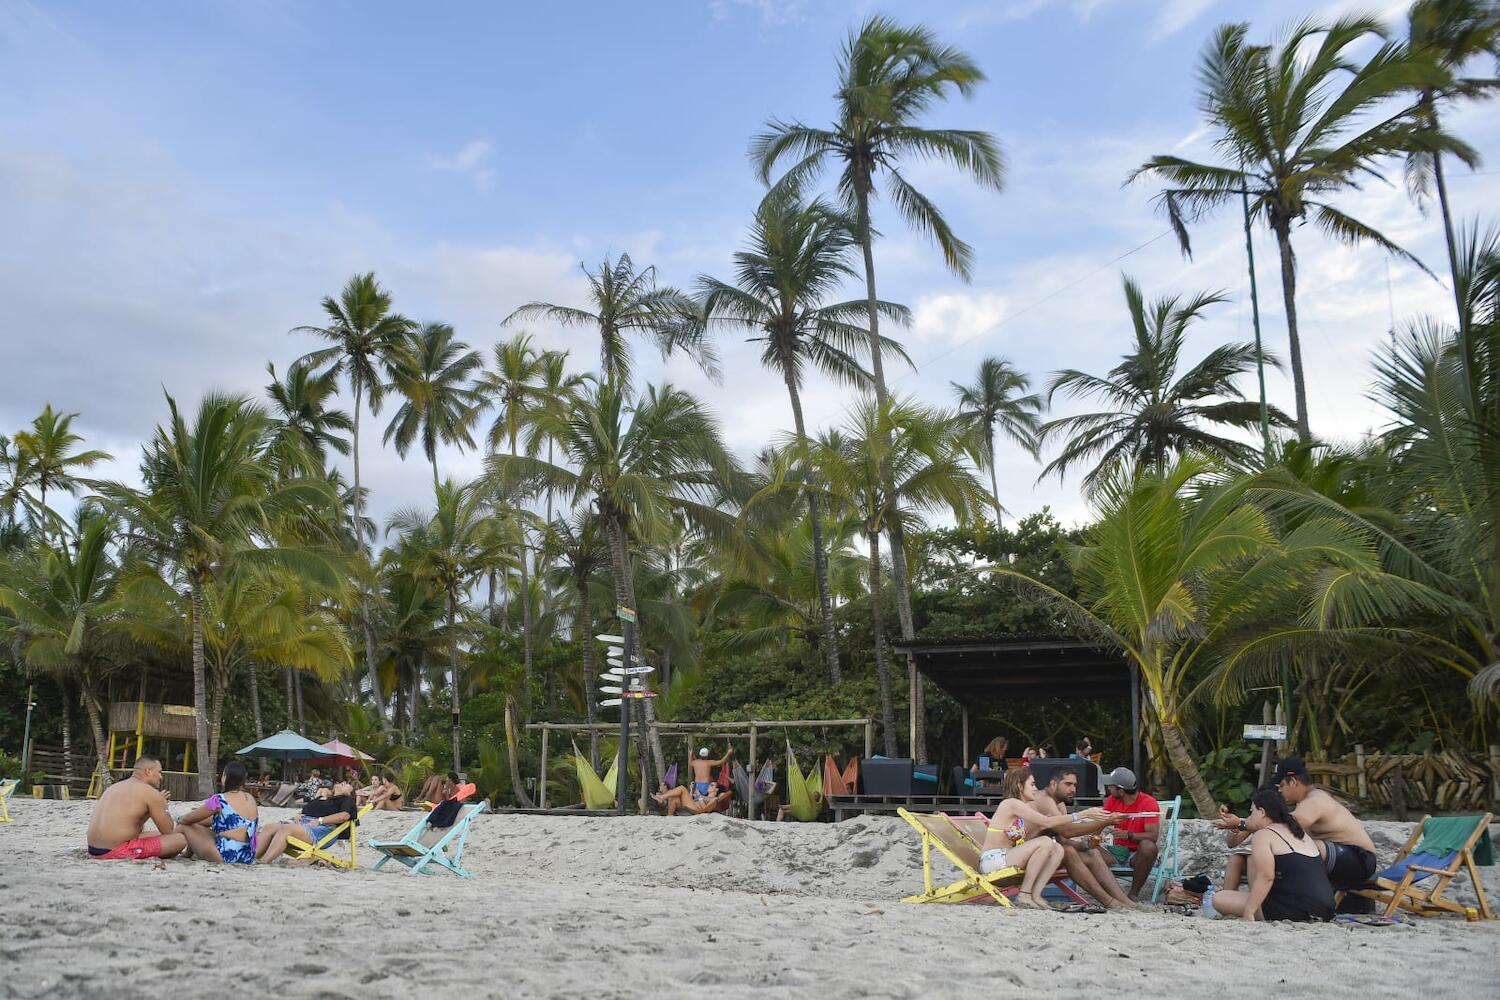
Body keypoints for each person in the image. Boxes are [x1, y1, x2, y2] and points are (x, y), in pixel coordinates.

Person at [1217, 756, 1377, 897]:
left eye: (1281, 786)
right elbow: (1234, 842)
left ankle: (1265, 904)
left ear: (1293, 782)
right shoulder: (1300, 805)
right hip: (1338, 858)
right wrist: (1238, 825)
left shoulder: (1315, 800)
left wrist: (1242, 823)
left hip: (1360, 860)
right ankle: (1225, 904)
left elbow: (1285, 827)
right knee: (1239, 858)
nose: (1279, 791)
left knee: (1309, 847)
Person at [980, 767, 1112, 910]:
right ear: (1019, 786)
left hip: (1006, 857)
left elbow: (1048, 823)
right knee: (1045, 842)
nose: (1036, 789)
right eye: (1032, 784)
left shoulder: (1022, 806)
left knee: (1057, 849)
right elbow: (1046, 822)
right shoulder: (1011, 803)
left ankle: (1035, 895)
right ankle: (1024, 894)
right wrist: (1083, 814)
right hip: (993, 861)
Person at [1209, 787, 1335, 922]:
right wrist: (1239, 825)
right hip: (1325, 909)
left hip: (1294, 909)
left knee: (1219, 898)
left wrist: (1249, 912)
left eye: (1252, 812)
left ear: (1262, 812)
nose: (1250, 816)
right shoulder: (1299, 833)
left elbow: (1267, 876)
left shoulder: (1264, 835)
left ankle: (1254, 910)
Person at [1031, 764, 1136, 910]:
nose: (1073, 789)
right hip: (1029, 856)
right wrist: (1105, 821)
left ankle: (1124, 901)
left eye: (1074, 785)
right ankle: (1109, 902)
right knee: (1068, 851)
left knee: (1092, 852)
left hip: (1046, 854)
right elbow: (1067, 831)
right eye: (1068, 784)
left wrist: (1085, 844)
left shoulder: (1059, 804)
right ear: (1053, 784)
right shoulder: (1044, 800)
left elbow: (1063, 839)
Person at [86, 756, 205, 861]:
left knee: (156, 834)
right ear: (148, 771)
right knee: (179, 839)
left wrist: (150, 810)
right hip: (114, 851)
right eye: (159, 772)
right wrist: (163, 805)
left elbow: (136, 828)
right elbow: (168, 830)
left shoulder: (114, 787)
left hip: (93, 849)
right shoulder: (150, 793)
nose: (161, 777)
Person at [174, 761, 259, 864]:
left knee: (184, 826)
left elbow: (190, 818)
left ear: (225, 777)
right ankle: (188, 853)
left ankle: (171, 848)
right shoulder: (250, 798)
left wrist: (178, 819)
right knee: (196, 824)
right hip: (247, 855)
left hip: (224, 854)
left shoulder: (219, 800)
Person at [256, 778, 358, 864]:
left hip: (323, 830)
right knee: (270, 827)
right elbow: (307, 810)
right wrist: (298, 815)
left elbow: (344, 816)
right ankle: (252, 858)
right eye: (342, 782)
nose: (343, 783)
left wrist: (320, 820)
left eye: (347, 784)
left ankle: (265, 862)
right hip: (303, 824)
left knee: (285, 829)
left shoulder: (347, 800)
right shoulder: (325, 799)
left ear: (350, 793)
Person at [1101, 767, 1161, 900]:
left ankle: (1133, 894)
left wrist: (1128, 835)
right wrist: (1095, 834)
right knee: (1087, 848)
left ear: (1121, 791)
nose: (1109, 789)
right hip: (1116, 851)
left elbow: (1152, 836)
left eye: (1111, 786)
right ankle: (1105, 894)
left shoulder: (1148, 803)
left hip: (1137, 855)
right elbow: (1101, 821)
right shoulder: (1112, 800)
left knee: (1149, 847)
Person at [652, 781, 730, 816]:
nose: (709, 785)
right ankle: (669, 818)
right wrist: (692, 790)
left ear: (716, 790)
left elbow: (704, 809)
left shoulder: (714, 800)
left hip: (696, 810)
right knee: (674, 798)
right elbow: (691, 801)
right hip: (692, 806)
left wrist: (699, 796)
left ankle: (662, 797)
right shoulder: (705, 796)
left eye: (712, 785)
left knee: (682, 788)